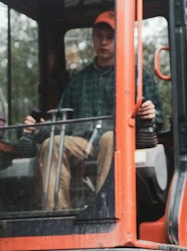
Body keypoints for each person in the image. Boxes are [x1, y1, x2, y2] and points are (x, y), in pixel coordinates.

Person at [34, 11, 162, 209]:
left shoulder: (137, 76)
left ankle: (105, 211)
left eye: (110, 37)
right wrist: (40, 128)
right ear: (93, 38)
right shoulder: (78, 81)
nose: (104, 42)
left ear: (119, 39)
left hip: (119, 143)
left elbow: (158, 117)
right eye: (99, 36)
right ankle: (57, 214)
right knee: (53, 144)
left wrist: (151, 113)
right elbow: (62, 123)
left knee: (111, 138)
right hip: (83, 143)